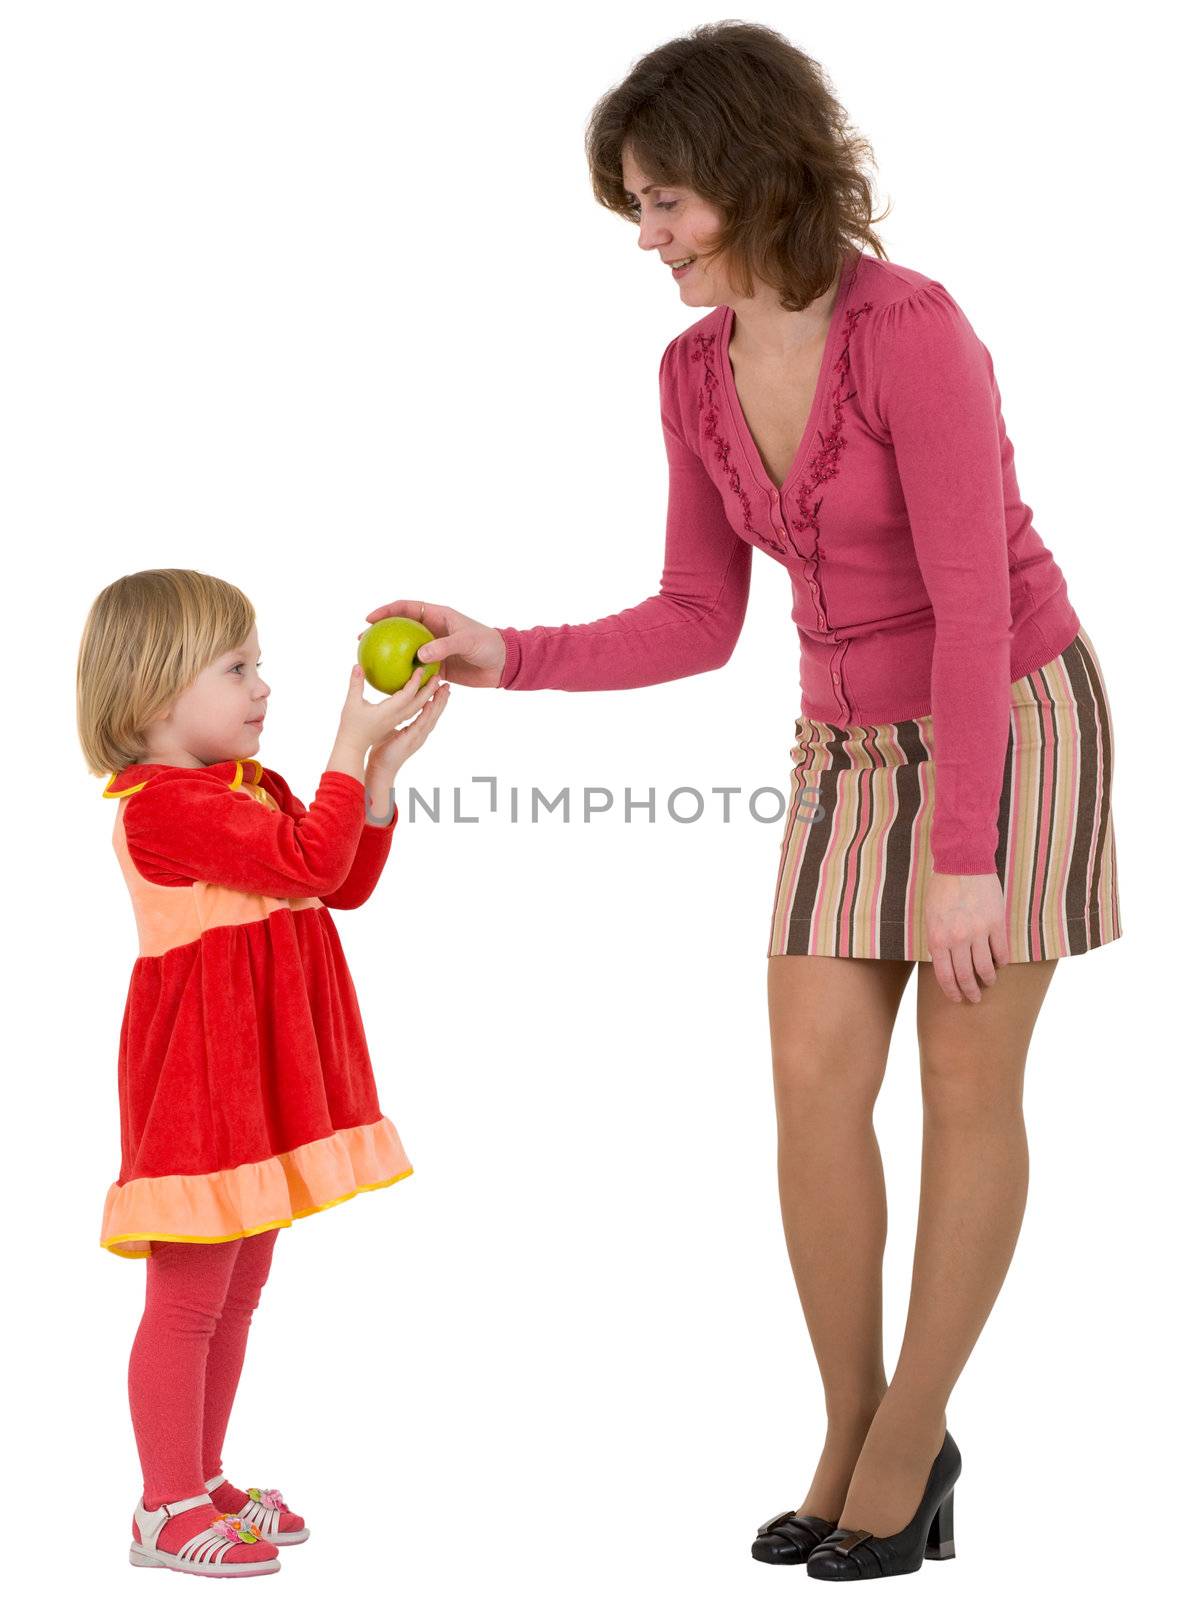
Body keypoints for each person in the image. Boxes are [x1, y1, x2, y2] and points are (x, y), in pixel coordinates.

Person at [359, 21, 1121, 1585]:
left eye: (661, 205)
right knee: (811, 1090)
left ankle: (909, 1447)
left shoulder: (913, 330)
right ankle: (849, 1434)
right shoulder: (691, 373)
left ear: (752, 172)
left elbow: (973, 611)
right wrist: (503, 653)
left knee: (965, 1091)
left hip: (1011, 726)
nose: (642, 242)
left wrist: (964, 857)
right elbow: (693, 620)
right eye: (634, 211)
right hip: (844, 749)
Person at [76, 567, 448, 1577]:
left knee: (236, 1292)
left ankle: (200, 1477)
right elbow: (302, 866)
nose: (262, 687)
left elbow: (340, 881)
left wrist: (374, 777)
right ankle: (164, 1506)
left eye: (259, 666)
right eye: (237, 667)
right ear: (155, 693)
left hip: (263, 1078)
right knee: (191, 1295)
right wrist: (344, 745)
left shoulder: (248, 791)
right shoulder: (160, 806)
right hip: (203, 1084)